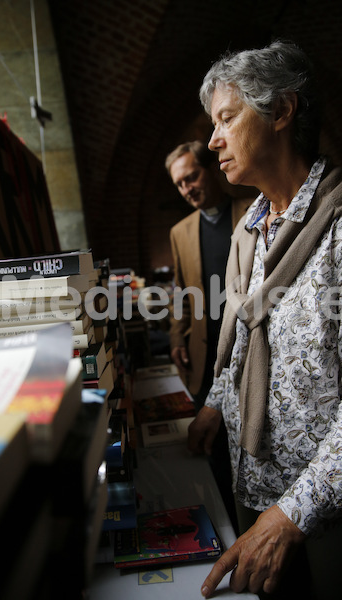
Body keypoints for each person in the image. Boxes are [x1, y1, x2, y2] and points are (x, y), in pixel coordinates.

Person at [187, 40, 342, 600]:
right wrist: (212, 403)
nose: (213, 140)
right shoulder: (248, 231)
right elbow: (243, 344)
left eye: (227, 118)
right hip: (253, 490)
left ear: (281, 111)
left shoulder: (339, 227)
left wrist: (292, 516)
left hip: (320, 518)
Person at [165, 141, 251, 529]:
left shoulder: (254, 209)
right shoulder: (179, 232)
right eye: (180, 184)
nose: (187, 189)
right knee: (213, 450)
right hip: (205, 360)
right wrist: (177, 337)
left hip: (249, 357)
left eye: (192, 177)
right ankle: (227, 532)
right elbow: (182, 293)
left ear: (213, 168)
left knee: (249, 449)